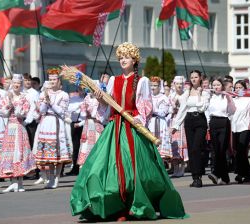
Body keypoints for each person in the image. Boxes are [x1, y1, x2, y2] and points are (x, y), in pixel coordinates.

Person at [70, 42, 187, 221]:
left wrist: (138, 118)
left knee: (135, 169)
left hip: (133, 127)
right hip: (115, 127)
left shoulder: (142, 81)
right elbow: (107, 109)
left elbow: (146, 105)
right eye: (121, 57)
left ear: (134, 60)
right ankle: (116, 207)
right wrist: (101, 100)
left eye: (127, 57)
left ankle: (135, 204)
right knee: (103, 168)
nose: (123, 60)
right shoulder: (113, 81)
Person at [33, 68, 72, 189]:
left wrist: (51, 103)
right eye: (50, 79)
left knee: (58, 154)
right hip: (46, 122)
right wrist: (44, 101)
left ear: (58, 81)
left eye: (54, 79)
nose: (52, 82)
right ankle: (50, 178)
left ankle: (56, 178)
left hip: (57, 122)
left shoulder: (63, 95)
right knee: (49, 155)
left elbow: (62, 112)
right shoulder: (44, 93)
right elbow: (42, 111)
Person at [0, 74, 36, 193]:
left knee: (19, 153)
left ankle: (20, 183)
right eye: (14, 83)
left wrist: (16, 106)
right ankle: (13, 182)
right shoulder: (7, 96)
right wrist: (9, 102)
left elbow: (23, 113)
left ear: (21, 85)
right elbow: (3, 112)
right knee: (10, 154)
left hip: (19, 126)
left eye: (18, 84)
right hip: (10, 127)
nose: (16, 85)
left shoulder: (24, 97)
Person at [172, 70, 210, 188]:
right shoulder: (186, 93)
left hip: (200, 120)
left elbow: (202, 107)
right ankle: (195, 177)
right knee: (191, 149)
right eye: (192, 77)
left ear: (200, 79)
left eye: (196, 77)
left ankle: (199, 176)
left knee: (196, 148)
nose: (193, 79)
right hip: (189, 121)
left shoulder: (205, 92)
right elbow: (183, 109)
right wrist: (175, 125)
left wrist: (198, 94)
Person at [206, 78, 236, 185]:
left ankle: (216, 173)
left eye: (218, 85)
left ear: (222, 86)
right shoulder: (210, 97)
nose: (216, 87)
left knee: (222, 150)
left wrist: (229, 99)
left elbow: (232, 110)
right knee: (216, 150)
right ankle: (225, 177)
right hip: (213, 122)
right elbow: (207, 111)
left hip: (224, 122)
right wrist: (208, 124)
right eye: (214, 85)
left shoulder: (226, 96)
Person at [76, 86, 106, 167]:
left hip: (97, 124)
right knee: (85, 145)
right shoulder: (87, 97)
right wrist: (83, 109)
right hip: (88, 124)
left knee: (97, 144)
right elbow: (83, 114)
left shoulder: (101, 98)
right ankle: (83, 168)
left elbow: (102, 113)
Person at [232, 80, 250, 183]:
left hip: (245, 128)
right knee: (239, 152)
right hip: (235, 128)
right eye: (236, 87)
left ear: (244, 88)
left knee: (241, 151)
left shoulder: (249, 98)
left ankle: (240, 174)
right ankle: (248, 173)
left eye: (240, 87)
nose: (238, 89)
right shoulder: (233, 99)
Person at [147, 76, 172, 159]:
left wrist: (152, 109)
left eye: (155, 85)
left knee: (160, 149)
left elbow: (163, 112)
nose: (153, 88)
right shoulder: (148, 97)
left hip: (159, 122)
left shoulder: (164, 98)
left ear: (159, 86)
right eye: (151, 85)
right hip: (149, 122)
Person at [169, 76, 188, 178]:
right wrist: (173, 108)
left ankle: (182, 169)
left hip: (182, 122)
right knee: (174, 146)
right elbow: (168, 109)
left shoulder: (185, 95)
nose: (179, 86)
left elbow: (185, 109)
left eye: (181, 84)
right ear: (174, 84)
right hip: (173, 121)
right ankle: (175, 168)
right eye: (177, 84)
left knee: (182, 145)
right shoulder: (171, 96)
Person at [66, 91, 84, 176]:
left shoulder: (89, 98)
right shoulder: (74, 99)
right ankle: (75, 168)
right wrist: (78, 106)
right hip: (75, 123)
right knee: (75, 146)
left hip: (84, 123)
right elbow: (69, 109)